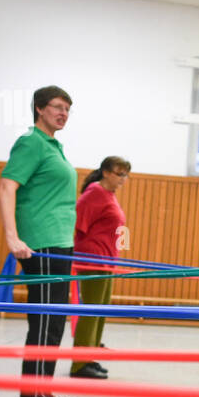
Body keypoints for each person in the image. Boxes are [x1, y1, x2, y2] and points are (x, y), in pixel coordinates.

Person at [0, 86, 79, 397]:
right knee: (43, 323)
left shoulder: (54, 146)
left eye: (68, 109)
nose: (63, 113)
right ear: (39, 109)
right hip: (40, 244)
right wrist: (12, 237)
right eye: (57, 107)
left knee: (54, 322)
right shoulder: (31, 142)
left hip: (59, 243)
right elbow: (6, 186)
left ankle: (42, 389)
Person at [69, 155, 131, 379]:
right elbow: (76, 223)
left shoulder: (110, 195)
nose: (123, 179)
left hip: (107, 261)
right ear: (106, 172)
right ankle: (79, 363)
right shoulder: (95, 192)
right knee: (91, 311)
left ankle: (90, 356)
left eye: (126, 174)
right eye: (120, 173)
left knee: (101, 310)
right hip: (92, 260)